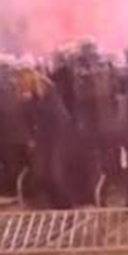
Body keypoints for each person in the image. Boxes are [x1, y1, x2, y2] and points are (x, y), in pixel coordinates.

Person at [18, 68, 74, 210]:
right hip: (42, 139)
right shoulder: (29, 97)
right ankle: (53, 205)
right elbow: (26, 120)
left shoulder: (48, 92)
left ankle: (65, 206)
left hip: (56, 137)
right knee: (41, 174)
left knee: (54, 174)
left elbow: (61, 117)